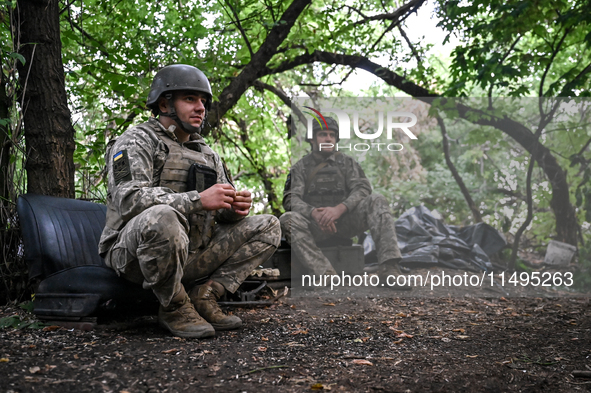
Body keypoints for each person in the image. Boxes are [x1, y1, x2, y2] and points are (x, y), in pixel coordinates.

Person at [98, 64, 281, 338]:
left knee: (269, 225)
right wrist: (197, 199)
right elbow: (128, 199)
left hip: (191, 254)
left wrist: (234, 209)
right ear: (164, 103)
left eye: (203, 101)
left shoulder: (207, 153)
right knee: (163, 217)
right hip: (133, 256)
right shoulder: (135, 141)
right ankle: (174, 306)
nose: (200, 108)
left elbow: (220, 212)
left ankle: (205, 295)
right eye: (190, 99)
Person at [280, 116, 403, 280]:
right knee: (287, 219)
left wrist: (339, 209)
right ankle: (325, 274)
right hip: (315, 227)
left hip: (345, 223)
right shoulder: (300, 168)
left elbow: (362, 188)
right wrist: (315, 214)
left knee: (377, 200)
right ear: (312, 139)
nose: (328, 138)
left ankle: (390, 269)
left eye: (332, 135)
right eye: (323, 134)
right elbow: (291, 199)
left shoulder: (347, 163)